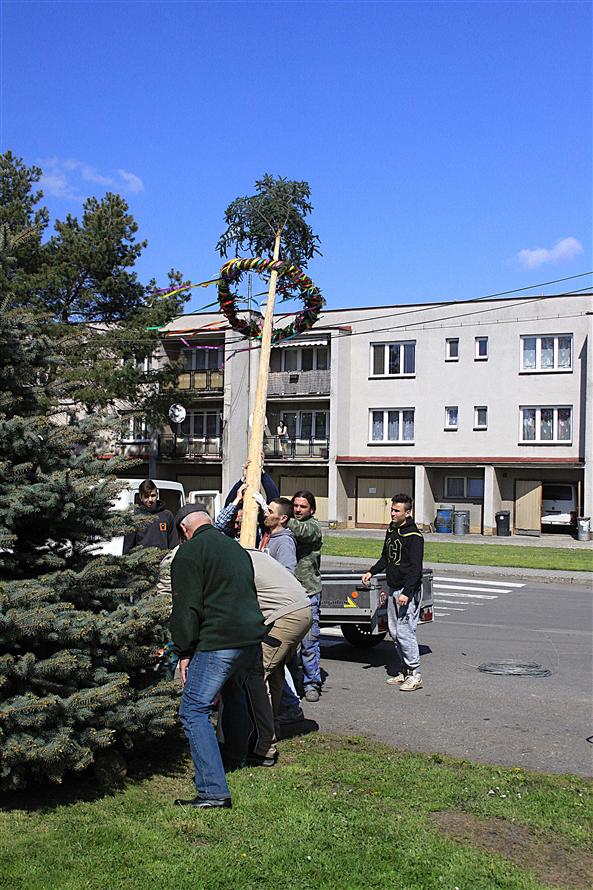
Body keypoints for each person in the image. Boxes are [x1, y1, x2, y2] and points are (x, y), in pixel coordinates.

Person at [170, 505, 266, 809]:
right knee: (234, 694)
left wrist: (185, 650)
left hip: (219, 640)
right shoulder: (236, 549)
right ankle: (234, 758)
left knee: (193, 710)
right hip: (249, 638)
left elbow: (186, 608)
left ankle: (213, 791)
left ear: (184, 530)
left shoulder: (189, 553)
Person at [242, 549, 312, 767]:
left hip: (286, 615)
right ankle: (272, 728)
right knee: (275, 672)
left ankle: (264, 747)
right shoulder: (253, 554)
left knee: (255, 674)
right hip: (299, 609)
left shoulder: (236, 561)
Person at [361, 493, 425, 692]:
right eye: (392, 509)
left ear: (408, 513)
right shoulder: (392, 530)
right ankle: (405, 670)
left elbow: (416, 568)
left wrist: (407, 592)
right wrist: (372, 571)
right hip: (393, 587)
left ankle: (415, 674)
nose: (393, 513)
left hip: (407, 592)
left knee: (405, 632)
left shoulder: (414, 536)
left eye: (397, 510)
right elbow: (385, 557)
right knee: (395, 633)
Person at [288, 490, 323, 703]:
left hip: (309, 593)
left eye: (303, 506)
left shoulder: (313, 527)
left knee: (309, 643)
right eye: (295, 506)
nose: (298, 510)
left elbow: (302, 531)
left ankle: (312, 684)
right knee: (289, 645)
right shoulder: (287, 524)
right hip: (289, 594)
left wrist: (282, 516)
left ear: (312, 509)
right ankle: (292, 683)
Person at [122, 479, 178, 554]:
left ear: (157, 495)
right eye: (146, 496)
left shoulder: (167, 516)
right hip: (142, 560)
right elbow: (128, 548)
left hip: (164, 560)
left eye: (153, 495)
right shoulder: (134, 518)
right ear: (141, 497)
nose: (150, 499)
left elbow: (174, 545)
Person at [259, 497, 297, 573]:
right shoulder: (266, 535)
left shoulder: (284, 542)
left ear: (283, 518)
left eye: (270, 512)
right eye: (267, 510)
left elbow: (288, 572)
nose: (266, 514)